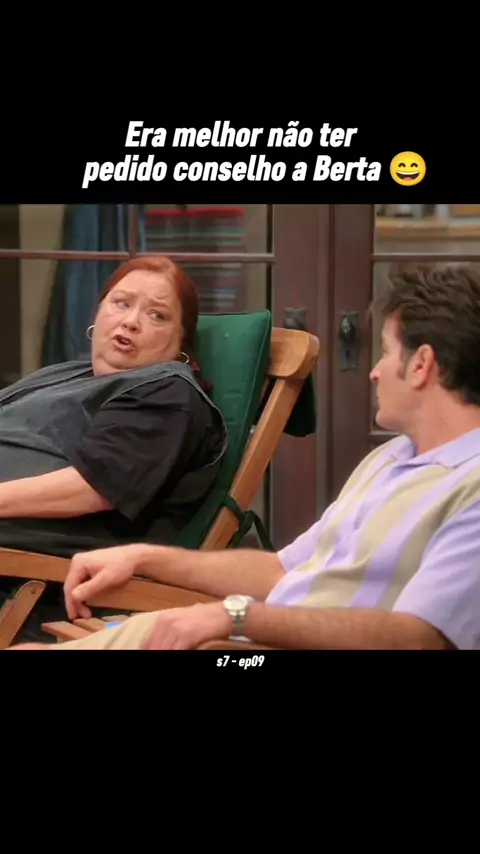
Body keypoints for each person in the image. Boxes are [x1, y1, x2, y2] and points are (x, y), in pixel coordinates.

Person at [11, 263, 480, 652]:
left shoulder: (470, 487)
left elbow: (421, 637)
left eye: (385, 353)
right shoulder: (389, 460)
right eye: (119, 303)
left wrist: (234, 617)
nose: (374, 372)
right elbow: (280, 570)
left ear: (421, 365)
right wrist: (142, 557)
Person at [0, 255, 228, 632]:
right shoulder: (72, 374)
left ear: (180, 344)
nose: (131, 321)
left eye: (157, 315)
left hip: (31, 577)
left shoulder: (169, 394)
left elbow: (92, 488)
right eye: (121, 303)